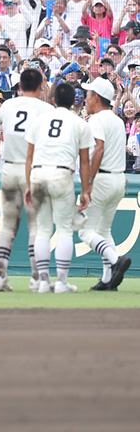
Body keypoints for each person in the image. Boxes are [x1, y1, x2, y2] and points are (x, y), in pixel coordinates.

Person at [24, 83, 93, 294]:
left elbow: (29, 156)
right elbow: (84, 162)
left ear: (53, 100)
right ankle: (62, 281)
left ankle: (44, 281)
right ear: (74, 101)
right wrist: (86, 190)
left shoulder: (39, 120)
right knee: (64, 229)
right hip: (62, 174)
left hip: (38, 173)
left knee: (43, 229)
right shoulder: (79, 123)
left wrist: (28, 184)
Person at [0, 69, 53, 292]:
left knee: (8, 225)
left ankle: (0, 275)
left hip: (8, 168)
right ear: (40, 86)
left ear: (19, 85)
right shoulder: (46, 109)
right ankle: (36, 278)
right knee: (36, 226)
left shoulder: (8, 105)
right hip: (32, 170)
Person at [77, 78, 132, 291]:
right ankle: (108, 279)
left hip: (101, 179)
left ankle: (115, 259)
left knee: (85, 231)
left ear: (96, 98)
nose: (86, 98)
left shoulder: (97, 120)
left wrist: (88, 182)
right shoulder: (117, 120)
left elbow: (98, 149)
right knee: (103, 230)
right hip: (118, 179)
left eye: (89, 94)